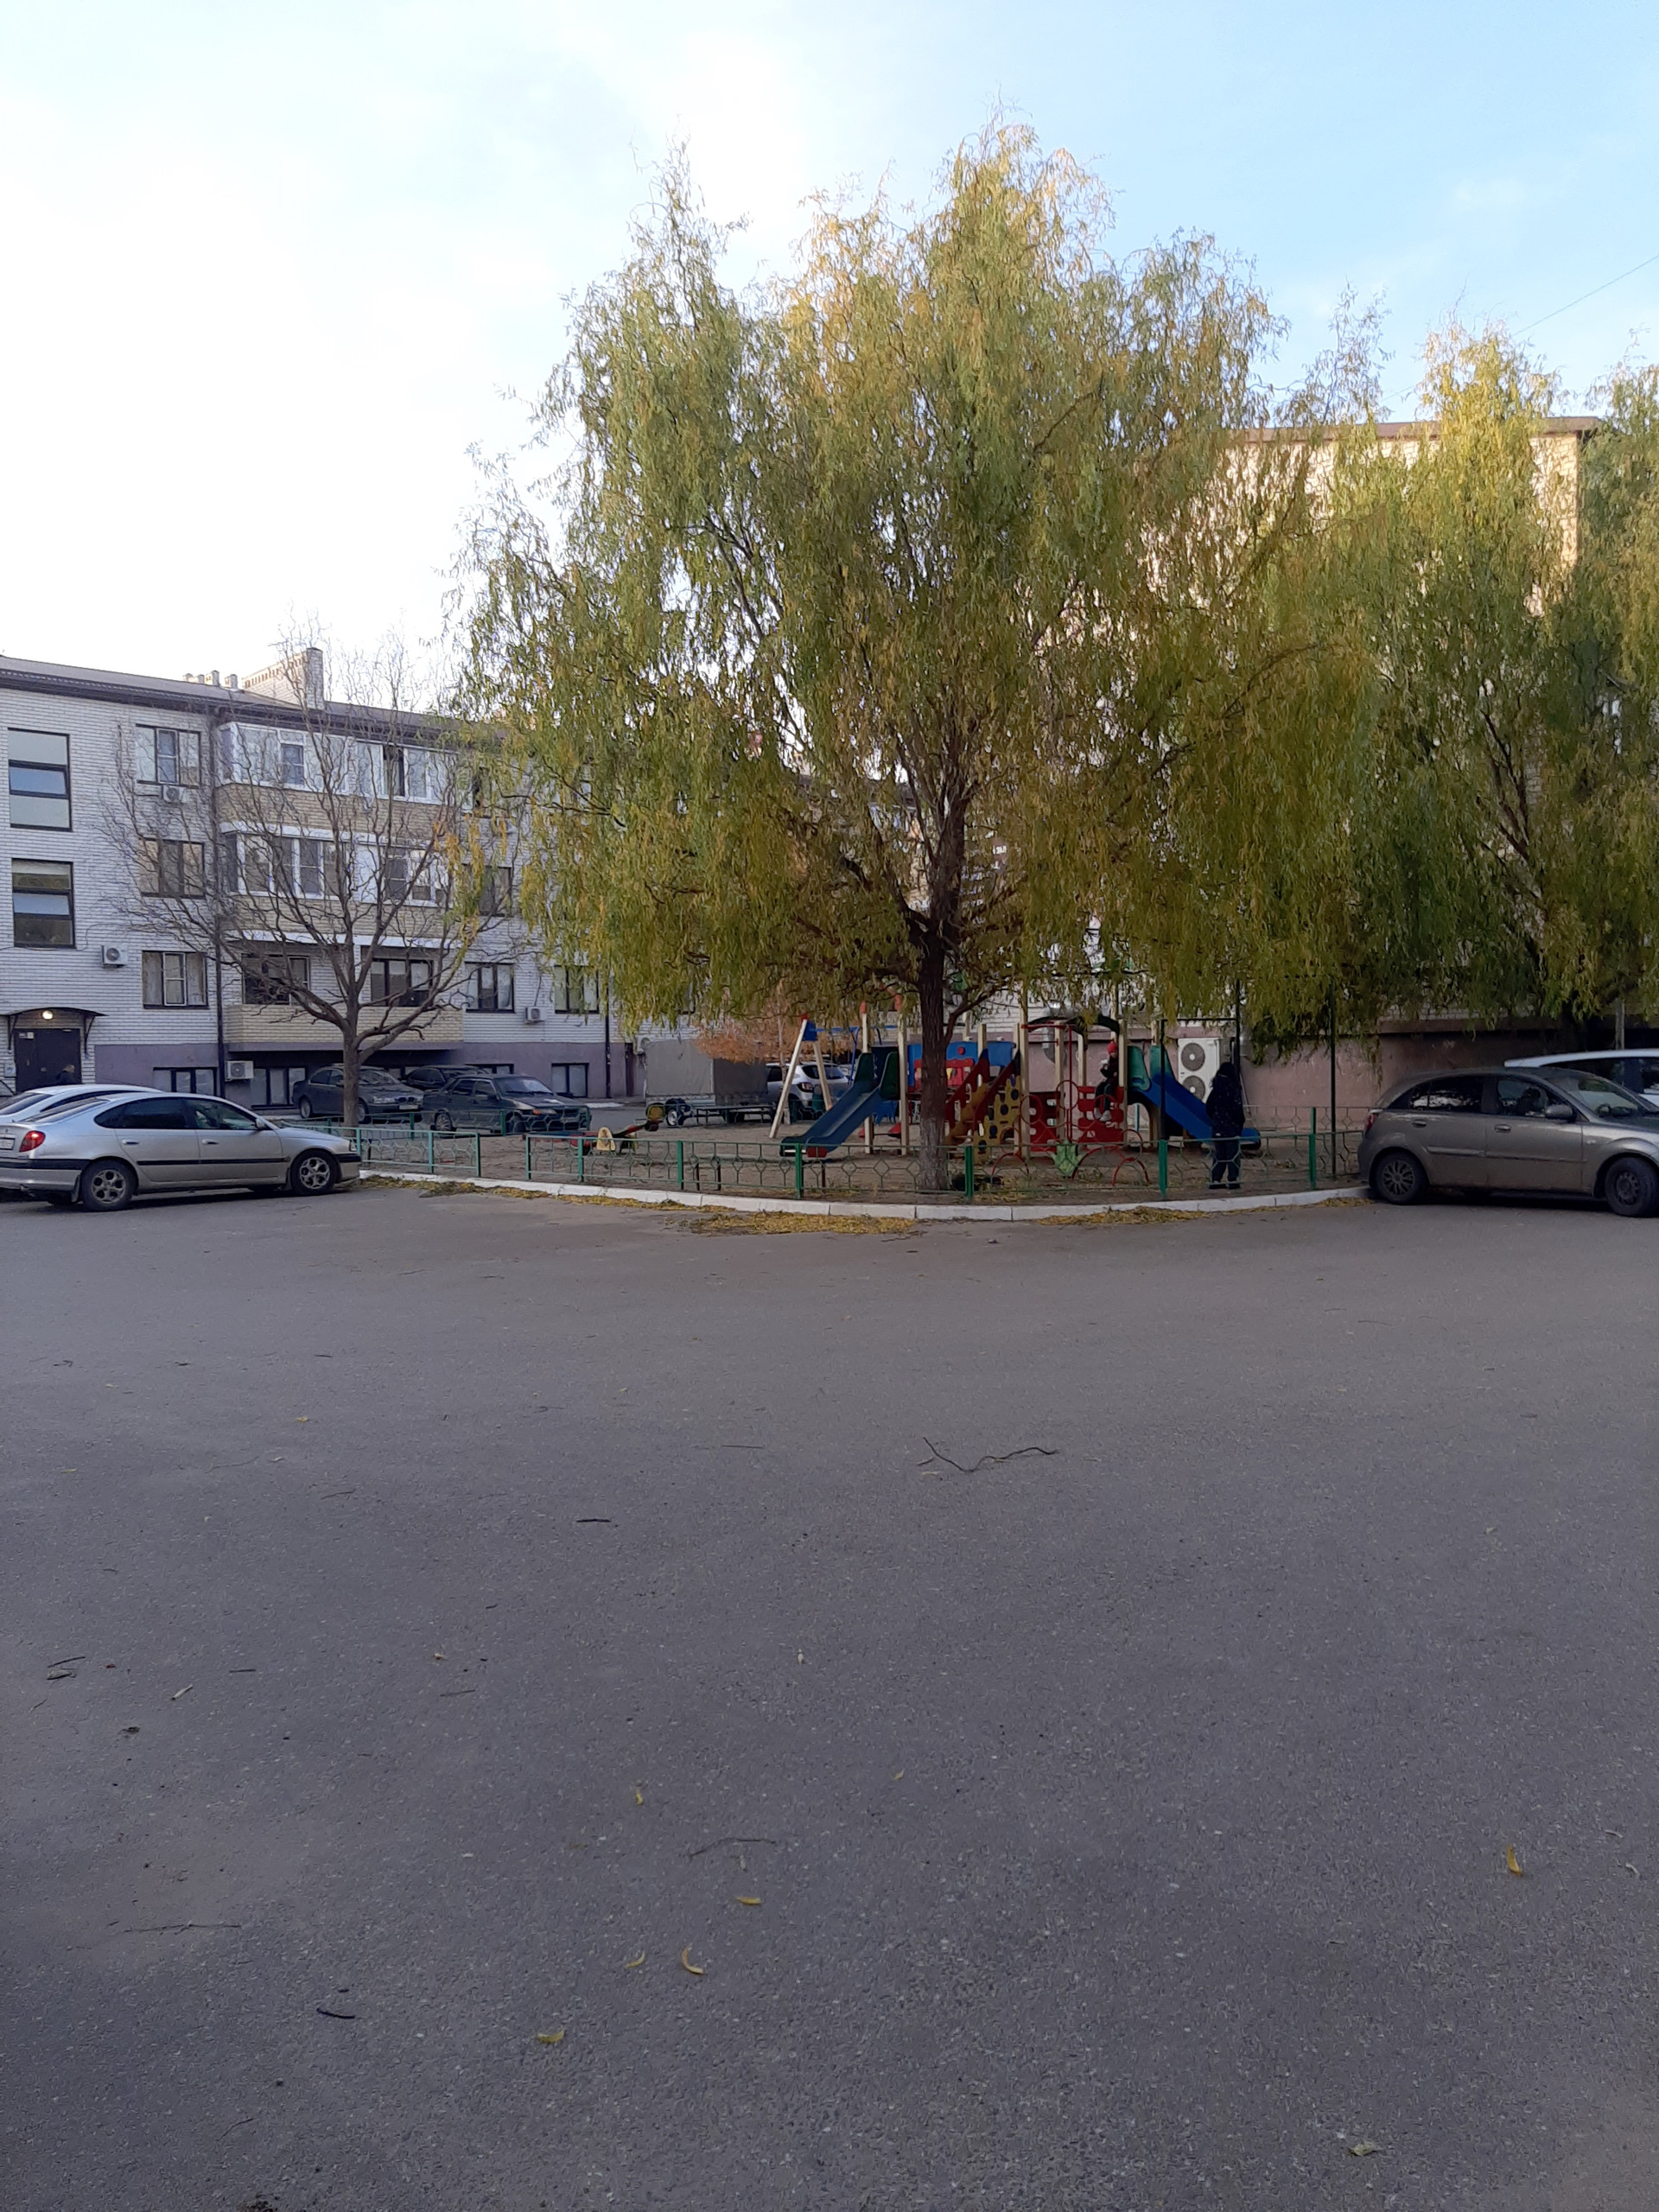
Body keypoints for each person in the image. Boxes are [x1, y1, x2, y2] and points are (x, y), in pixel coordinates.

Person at [1207, 1055, 1246, 1190]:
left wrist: (1216, 1118)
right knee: (1233, 1155)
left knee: (1219, 1155)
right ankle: (1233, 1180)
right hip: (1231, 1128)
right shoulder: (1234, 1088)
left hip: (1218, 1127)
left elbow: (1209, 1107)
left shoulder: (1215, 1088)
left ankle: (1215, 1180)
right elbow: (1237, 1108)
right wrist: (1240, 1122)